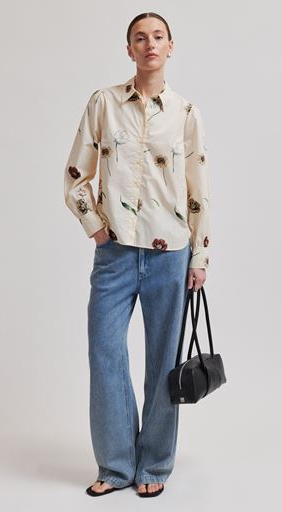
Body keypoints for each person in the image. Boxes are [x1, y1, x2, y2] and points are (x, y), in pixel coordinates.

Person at [63, 12, 211, 498]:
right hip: (116, 255)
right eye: (140, 38)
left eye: (158, 37)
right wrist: (95, 226)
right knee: (105, 354)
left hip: (171, 254)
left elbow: (198, 191)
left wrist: (199, 257)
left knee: (163, 362)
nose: (150, 44)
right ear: (129, 49)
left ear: (171, 46)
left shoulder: (185, 113)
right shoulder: (103, 103)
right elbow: (75, 174)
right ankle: (116, 465)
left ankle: (155, 463)